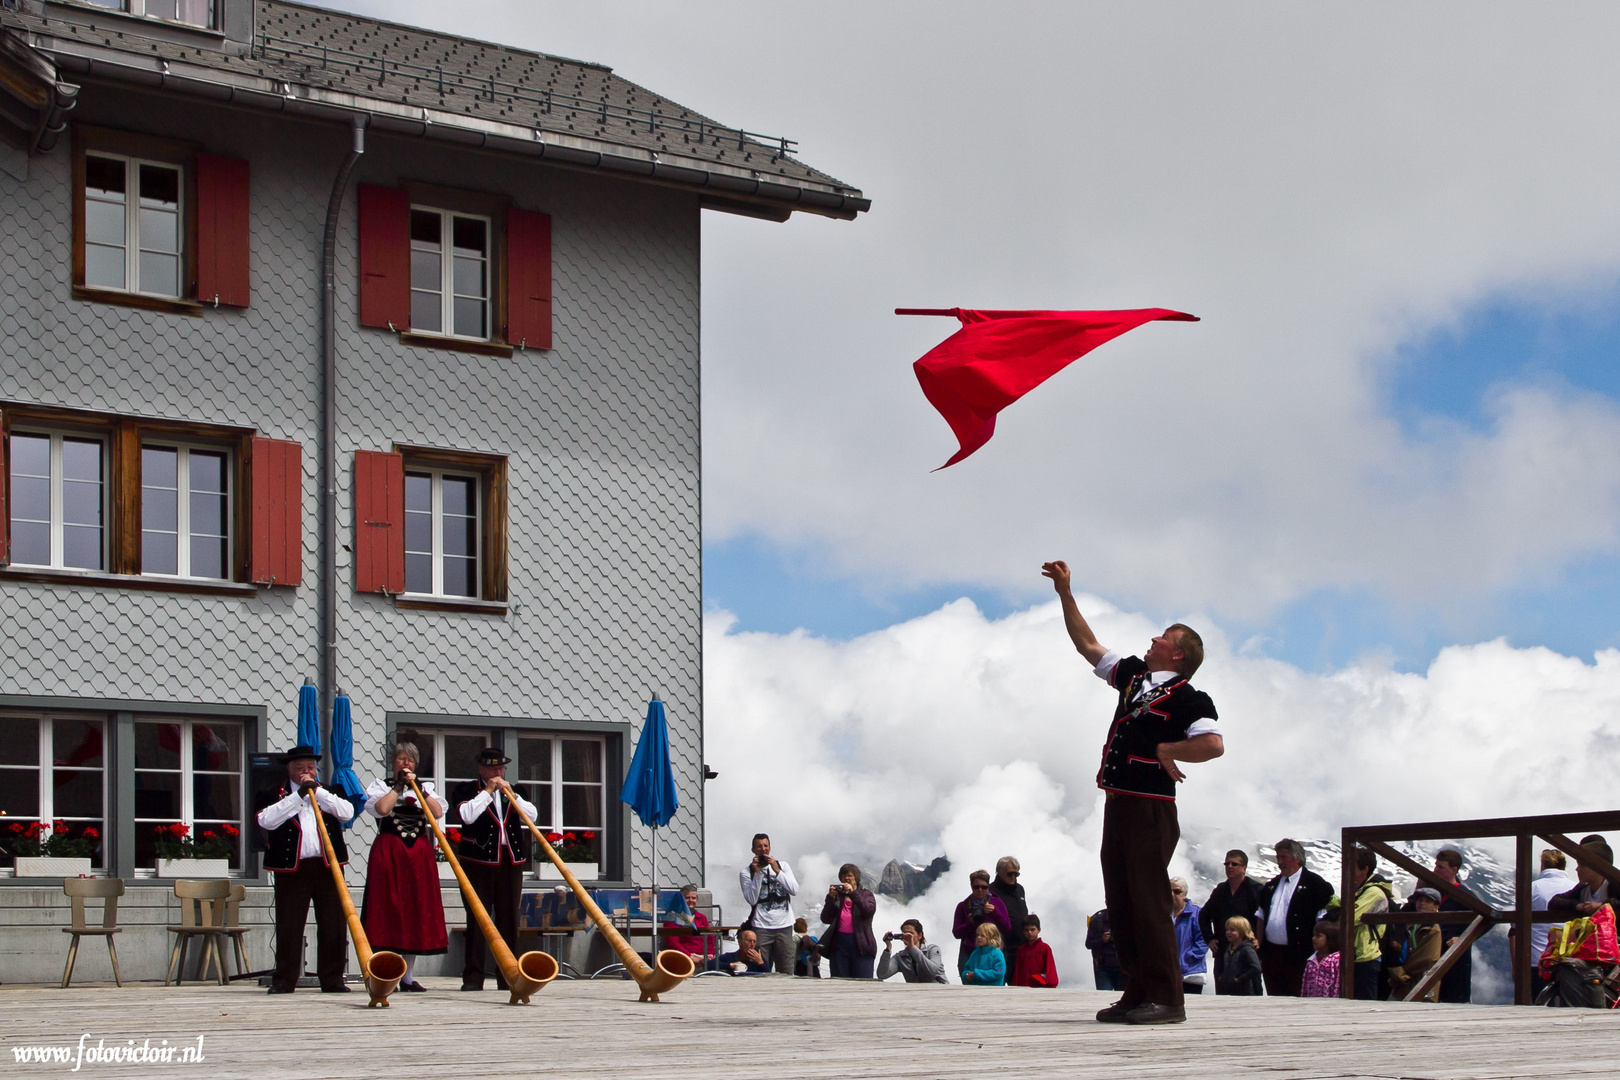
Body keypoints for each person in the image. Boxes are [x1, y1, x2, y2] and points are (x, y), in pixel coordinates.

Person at [1042, 559, 1223, 1026]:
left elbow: (1212, 744)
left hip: (1151, 810)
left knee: (1148, 901)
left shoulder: (1190, 697)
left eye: (1163, 636)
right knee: (1121, 901)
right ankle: (1138, 990)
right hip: (1119, 805)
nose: (1154, 639)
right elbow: (1087, 644)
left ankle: (1168, 999)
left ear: (1178, 654)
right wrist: (1065, 592)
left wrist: (1169, 747)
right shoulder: (1135, 678)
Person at [254, 744, 355, 994]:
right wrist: (298, 796)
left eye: (310, 767)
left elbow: (347, 813)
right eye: (300, 768)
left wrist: (318, 793)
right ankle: (285, 980)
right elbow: (265, 820)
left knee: (333, 924)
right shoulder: (274, 793)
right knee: (289, 924)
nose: (306, 772)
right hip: (292, 868)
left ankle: (332, 979)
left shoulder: (330, 792)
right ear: (290, 770)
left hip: (328, 867)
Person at [361, 741, 449, 992]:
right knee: (388, 909)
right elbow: (381, 809)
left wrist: (418, 787)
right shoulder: (381, 787)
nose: (406, 763)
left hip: (418, 854)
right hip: (390, 852)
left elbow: (437, 813)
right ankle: (387, 973)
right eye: (401, 759)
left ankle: (408, 977)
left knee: (415, 910)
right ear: (393, 763)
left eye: (410, 760)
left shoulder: (425, 788)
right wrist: (399, 786)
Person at [451, 747, 538, 992]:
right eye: (492, 768)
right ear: (481, 769)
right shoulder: (467, 789)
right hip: (477, 862)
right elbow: (466, 816)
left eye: (500, 768)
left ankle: (508, 974)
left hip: (510, 862)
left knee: (509, 919)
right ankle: (473, 977)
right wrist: (488, 791)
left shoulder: (516, 790)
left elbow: (532, 816)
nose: (497, 772)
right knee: (478, 919)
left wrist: (513, 795)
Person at [1257, 838, 1335, 997]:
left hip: (1300, 955)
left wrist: (1321, 950)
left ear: (1297, 858)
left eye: (1284, 857)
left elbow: (1323, 920)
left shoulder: (1315, 884)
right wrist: (1259, 945)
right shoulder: (1272, 885)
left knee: (1298, 997)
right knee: (1275, 998)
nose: (1279, 862)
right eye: (1278, 857)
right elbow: (1260, 915)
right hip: (1271, 955)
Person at [1200, 849, 1266, 995]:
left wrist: (1259, 939)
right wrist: (1209, 939)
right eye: (1227, 863)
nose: (1230, 867)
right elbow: (1203, 916)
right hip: (1223, 950)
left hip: (1246, 951)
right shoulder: (1220, 890)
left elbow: (1264, 917)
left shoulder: (1255, 890)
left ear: (1244, 868)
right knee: (1223, 992)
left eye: (1234, 864)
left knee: (1249, 992)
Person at [740, 834, 799, 974]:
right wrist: (758, 874)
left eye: (765, 846)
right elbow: (752, 899)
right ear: (753, 849)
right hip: (761, 925)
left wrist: (776, 870)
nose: (763, 849)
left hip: (784, 925)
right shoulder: (747, 872)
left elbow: (794, 890)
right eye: (759, 846)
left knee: (786, 968)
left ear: (770, 848)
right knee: (760, 967)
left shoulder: (782, 866)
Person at [1345, 846, 1394, 1000]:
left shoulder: (1373, 892)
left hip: (1365, 956)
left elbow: (1350, 917)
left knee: (1364, 1003)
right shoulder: (1359, 889)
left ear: (1364, 869)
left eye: (1351, 865)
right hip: (1357, 956)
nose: (1347, 869)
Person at [819, 862, 877, 979]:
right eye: (843, 876)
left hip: (861, 945)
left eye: (850, 875)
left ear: (856, 878)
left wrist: (853, 893)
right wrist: (830, 898)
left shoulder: (866, 895)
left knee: (863, 982)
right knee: (839, 982)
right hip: (839, 945)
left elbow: (868, 911)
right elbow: (825, 918)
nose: (846, 878)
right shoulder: (837, 897)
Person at [1431, 849, 1474, 1003]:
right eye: (1436, 865)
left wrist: (1463, 938)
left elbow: (1488, 919)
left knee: (1454, 1000)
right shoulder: (1432, 893)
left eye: (1441, 867)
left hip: (1454, 957)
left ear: (1454, 870)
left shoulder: (1463, 894)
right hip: (1433, 954)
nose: (1436, 870)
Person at [1387, 888, 1442, 1002]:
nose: (1422, 903)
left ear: (1436, 907)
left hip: (1423, 978)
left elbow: (1428, 957)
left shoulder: (1433, 929)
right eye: (1420, 900)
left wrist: (1401, 971)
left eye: (1428, 901)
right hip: (1405, 981)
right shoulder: (1411, 924)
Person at [952, 870, 1011, 975]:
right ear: (971, 886)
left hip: (993, 952)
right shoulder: (963, 906)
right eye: (976, 887)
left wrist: (995, 912)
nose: (980, 890)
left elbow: (1007, 927)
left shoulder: (997, 903)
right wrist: (970, 923)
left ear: (988, 886)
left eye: (984, 887)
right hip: (969, 952)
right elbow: (956, 933)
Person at [1548, 839, 1618, 920]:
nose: (1577, 869)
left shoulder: (1613, 886)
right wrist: (1577, 905)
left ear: (1598, 866)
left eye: (1582, 865)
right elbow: (1553, 903)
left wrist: (1602, 906)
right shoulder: (1582, 888)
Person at [988, 856, 1029, 979]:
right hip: (1000, 948)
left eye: (1016, 874)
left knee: (1019, 985)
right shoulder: (990, 891)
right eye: (1010, 874)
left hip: (1020, 947)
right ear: (999, 872)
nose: (1013, 877)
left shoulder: (1020, 889)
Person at [877, 918, 948, 983]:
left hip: (940, 990)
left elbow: (932, 971)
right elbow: (882, 974)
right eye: (905, 933)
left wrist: (912, 948)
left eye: (911, 933)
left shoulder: (932, 949)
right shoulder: (900, 957)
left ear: (920, 935)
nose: (908, 936)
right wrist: (888, 949)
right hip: (916, 993)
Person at [1171, 877, 1208, 995]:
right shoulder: (1164, 914)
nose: (1172, 894)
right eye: (1169, 891)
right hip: (1169, 974)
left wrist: (1185, 960)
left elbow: (1203, 941)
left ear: (1184, 894)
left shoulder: (1196, 914)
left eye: (1176, 891)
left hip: (1191, 974)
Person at [1216, 916, 1264, 996]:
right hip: (1231, 990)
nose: (1228, 932)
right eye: (1227, 929)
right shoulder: (1229, 948)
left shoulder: (1247, 949)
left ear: (1242, 932)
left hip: (1247, 992)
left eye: (1232, 930)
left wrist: (1239, 979)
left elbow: (1256, 968)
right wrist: (1223, 977)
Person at [663, 884, 711, 961]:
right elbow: (672, 943)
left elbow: (710, 939)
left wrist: (711, 954)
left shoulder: (702, 917)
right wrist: (690, 957)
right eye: (687, 898)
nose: (691, 900)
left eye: (693, 898)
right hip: (684, 957)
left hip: (704, 956)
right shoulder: (672, 917)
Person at [1012, 914, 1059, 987]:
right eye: (1026, 930)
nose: (1029, 932)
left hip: (1039, 987)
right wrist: (1015, 986)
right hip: (1023, 988)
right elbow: (1017, 972)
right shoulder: (1021, 950)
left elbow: (1050, 969)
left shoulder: (1045, 948)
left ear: (1039, 930)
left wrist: (1051, 985)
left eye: (1032, 929)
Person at [1301, 919, 1341, 998]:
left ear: (1330, 938)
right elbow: (1304, 986)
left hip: (1329, 1005)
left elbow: (1337, 985)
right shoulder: (1311, 961)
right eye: (1313, 935)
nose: (1313, 938)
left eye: (1318, 936)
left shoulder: (1336, 960)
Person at [1086, 907, 1124, 990]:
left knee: (1123, 997)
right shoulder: (1097, 919)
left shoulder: (1128, 917)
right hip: (1103, 967)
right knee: (1103, 997)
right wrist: (1102, 940)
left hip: (1123, 968)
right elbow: (1088, 944)